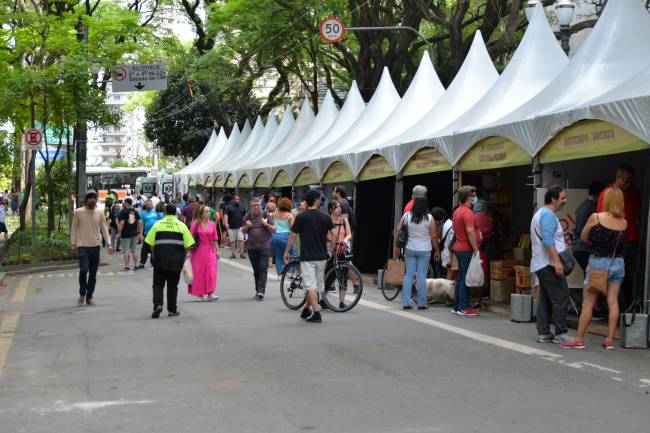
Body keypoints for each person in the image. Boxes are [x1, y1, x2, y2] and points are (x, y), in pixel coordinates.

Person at [561, 188, 627, 350]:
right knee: (612, 302)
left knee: (588, 303)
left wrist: (596, 243)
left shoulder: (596, 217)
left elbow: (583, 236)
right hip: (617, 263)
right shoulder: (624, 222)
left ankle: (579, 339)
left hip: (598, 262)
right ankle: (610, 340)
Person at [284, 190, 335, 323]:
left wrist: (287, 251)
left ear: (306, 202)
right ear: (317, 201)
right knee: (315, 286)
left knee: (310, 285)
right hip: (322, 257)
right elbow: (333, 234)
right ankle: (306, 309)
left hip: (307, 257)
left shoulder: (301, 217)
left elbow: (293, 235)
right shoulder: (325, 217)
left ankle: (317, 312)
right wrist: (330, 250)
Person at [531, 185, 571, 344]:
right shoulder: (548, 215)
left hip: (541, 263)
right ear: (553, 199)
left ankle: (543, 332)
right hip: (548, 263)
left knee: (546, 298)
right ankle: (561, 332)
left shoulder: (540, 213)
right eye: (562, 198)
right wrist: (557, 262)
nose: (565, 201)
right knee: (561, 296)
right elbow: (548, 241)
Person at [597, 164, 641, 307]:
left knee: (634, 275)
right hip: (616, 242)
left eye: (630, 181)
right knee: (616, 277)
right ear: (618, 178)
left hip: (632, 240)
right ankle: (619, 309)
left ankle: (633, 306)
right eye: (626, 181)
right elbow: (600, 219)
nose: (629, 184)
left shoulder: (634, 192)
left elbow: (640, 210)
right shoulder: (607, 193)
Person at [145, 204, 195, 318]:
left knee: (158, 284)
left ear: (165, 212)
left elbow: (151, 243)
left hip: (160, 259)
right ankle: (172, 310)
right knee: (173, 286)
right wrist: (182, 256)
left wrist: (154, 256)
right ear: (175, 213)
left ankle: (158, 305)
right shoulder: (181, 226)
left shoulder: (157, 224)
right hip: (176, 260)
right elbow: (188, 245)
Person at [394, 196, 441, 310]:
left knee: (409, 276)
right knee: (421, 276)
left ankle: (406, 302)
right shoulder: (429, 218)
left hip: (410, 249)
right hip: (424, 250)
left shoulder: (407, 216)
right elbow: (434, 236)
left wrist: (396, 246)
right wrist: (437, 251)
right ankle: (421, 303)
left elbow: (397, 230)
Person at [71, 190, 113, 306]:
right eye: (90, 198)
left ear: (96, 200)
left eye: (94, 198)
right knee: (84, 270)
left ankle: (89, 297)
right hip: (83, 246)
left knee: (93, 274)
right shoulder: (78, 212)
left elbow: (104, 228)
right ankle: (82, 293)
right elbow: (74, 228)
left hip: (95, 246)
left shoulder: (100, 212)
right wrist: (73, 244)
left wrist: (109, 243)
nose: (92, 200)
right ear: (86, 200)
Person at [451, 186, 481, 317]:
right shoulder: (468, 213)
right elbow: (470, 231)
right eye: (473, 195)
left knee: (460, 277)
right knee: (465, 279)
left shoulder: (457, 211)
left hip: (458, 247)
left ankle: (457, 306)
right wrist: (476, 249)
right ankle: (464, 307)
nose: (475, 197)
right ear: (468, 197)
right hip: (466, 249)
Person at [241, 199, 275, 300]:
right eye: (254, 206)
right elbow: (242, 231)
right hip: (252, 248)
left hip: (264, 247)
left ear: (260, 206)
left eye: (257, 205)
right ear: (251, 207)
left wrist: (266, 224)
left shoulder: (266, 215)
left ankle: (261, 291)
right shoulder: (248, 216)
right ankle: (258, 290)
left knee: (263, 268)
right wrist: (247, 226)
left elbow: (274, 229)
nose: (256, 207)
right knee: (256, 270)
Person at [188, 205, 219, 301]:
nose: (209, 213)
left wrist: (217, 251)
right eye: (206, 212)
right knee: (199, 273)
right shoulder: (195, 224)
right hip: (198, 251)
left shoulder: (212, 224)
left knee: (211, 272)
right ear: (201, 214)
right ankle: (199, 294)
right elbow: (189, 237)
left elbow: (214, 239)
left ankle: (210, 294)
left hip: (210, 250)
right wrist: (188, 251)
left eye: (209, 211)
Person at [327, 200, 354, 308]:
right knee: (328, 275)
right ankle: (322, 298)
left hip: (341, 250)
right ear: (331, 210)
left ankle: (342, 302)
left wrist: (345, 241)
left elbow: (349, 235)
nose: (340, 209)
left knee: (343, 276)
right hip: (330, 250)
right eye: (337, 207)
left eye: (339, 207)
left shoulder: (344, 220)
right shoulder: (327, 220)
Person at [574, 181, 606, 273]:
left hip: (578, 247)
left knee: (588, 276)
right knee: (591, 278)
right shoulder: (595, 207)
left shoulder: (581, 206)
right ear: (599, 193)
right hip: (586, 247)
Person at [271, 198, 295, 275]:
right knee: (291, 254)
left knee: (278, 256)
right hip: (285, 237)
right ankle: (290, 272)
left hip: (275, 237)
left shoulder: (275, 214)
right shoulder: (290, 216)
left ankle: (280, 274)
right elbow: (293, 229)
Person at [117, 197, 143, 271]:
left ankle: (127, 266)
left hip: (125, 234)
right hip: (134, 233)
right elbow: (140, 222)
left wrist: (119, 233)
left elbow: (122, 223)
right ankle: (136, 265)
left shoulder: (123, 211)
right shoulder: (134, 211)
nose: (123, 203)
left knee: (126, 250)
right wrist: (139, 231)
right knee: (134, 250)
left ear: (126, 203)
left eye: (124, 202)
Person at [137, 199, 163, 269]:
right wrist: (141, 235)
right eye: (147, 204)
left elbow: (162, 220)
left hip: (157, 233)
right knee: (144, 248)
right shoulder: (143, 213)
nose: (148, 205)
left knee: (154, 249)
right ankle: (142, 263)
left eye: (149, 204)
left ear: (152, 205)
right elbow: (141, 224)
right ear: (145, 205)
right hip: (147, 233)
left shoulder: (157, 212)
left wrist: (159, 213)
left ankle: (153, 263)